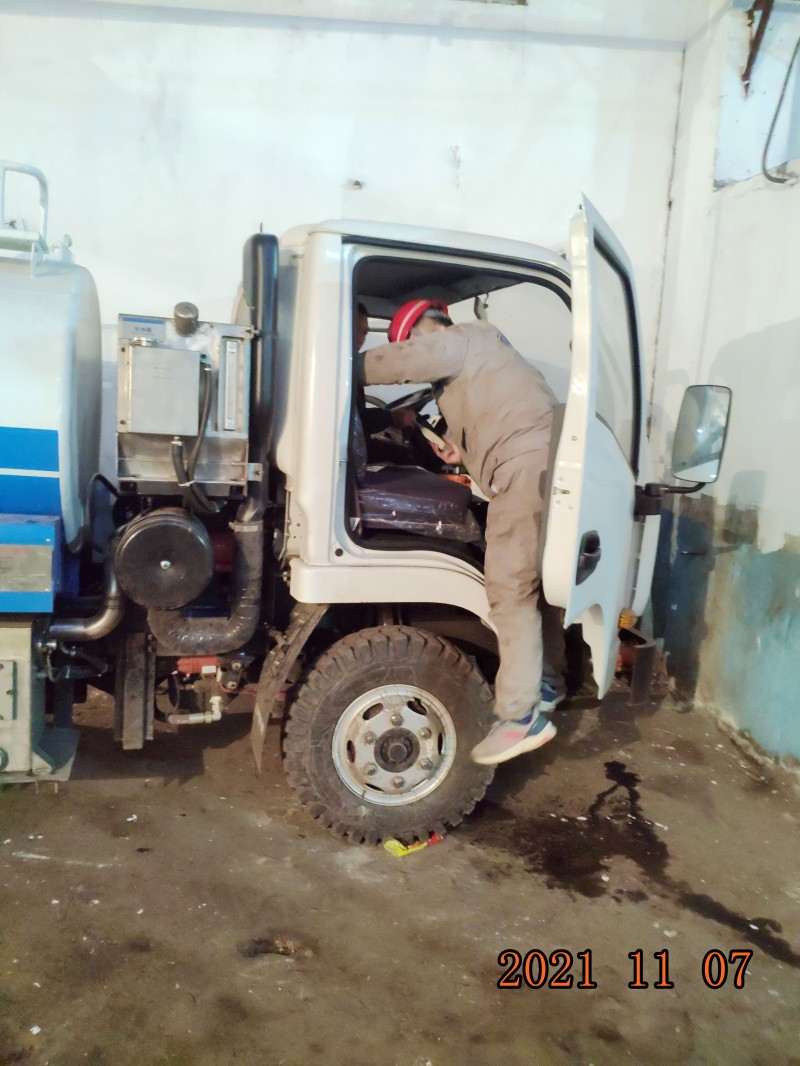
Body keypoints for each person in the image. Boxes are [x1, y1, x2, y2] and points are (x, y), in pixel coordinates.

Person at [359, 298, 567, 765]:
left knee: (509, 589)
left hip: (523, 471)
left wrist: (336, 368)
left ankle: (520, 718)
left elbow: (402, 363)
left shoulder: (462, 338)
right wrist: (459, 451)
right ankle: (547, 683)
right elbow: (492, 422)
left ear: (423, 331)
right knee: (536, 585)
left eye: (410, 344)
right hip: (544, 469)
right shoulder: (481, 357)